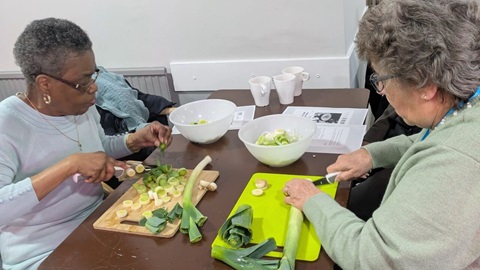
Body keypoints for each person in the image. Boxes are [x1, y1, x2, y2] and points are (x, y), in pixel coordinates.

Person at [282, 0, 480, 269]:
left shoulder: (454, 165)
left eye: (382, 80)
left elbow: (371, 257)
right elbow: (436, 139)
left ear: (426, 86)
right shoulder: (467, 104)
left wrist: (313, 201)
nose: (382, 91)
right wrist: (372, 155)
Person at [0, 18, 172, 270]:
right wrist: (68, 166)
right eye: (83, 82)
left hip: (98, 220)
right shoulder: (7, 124)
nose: (93, 88)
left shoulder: (79, 107)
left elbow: (97, 148)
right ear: (44, 83)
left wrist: (133, 141)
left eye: (93, 76)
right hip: (43, 253)